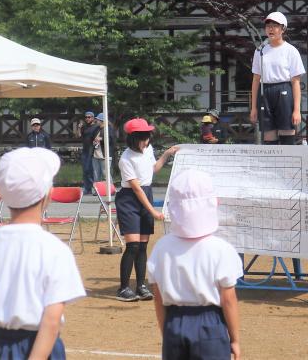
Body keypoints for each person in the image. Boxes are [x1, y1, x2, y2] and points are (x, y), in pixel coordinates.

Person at [0, 147, 85, 359]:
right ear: (47, 195)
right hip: (43, 348)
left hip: (0, 345)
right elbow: (51, 320)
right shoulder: (55, 249)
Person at [147, 169, 242, 359]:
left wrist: (167, 332)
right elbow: (228, 300)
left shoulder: (161, 247)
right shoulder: (220, 249)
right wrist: (235, 339)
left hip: (174, 321)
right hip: (210, 324)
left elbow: (158, 298)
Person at [115, 118, 178, 302]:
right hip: (129, 199)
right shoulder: (125, 159)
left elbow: (153, 170)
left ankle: (141, 285)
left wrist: (166, 154)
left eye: (148, 137)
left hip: (146, 193)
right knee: (133, 245)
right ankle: (124, 288)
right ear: (134, 139)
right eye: (144, 138)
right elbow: (135, 187)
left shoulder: (148, 150)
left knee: (142, 246)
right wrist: (153, 211)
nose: (147, 141)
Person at [250, 11, 305, 145]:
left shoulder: (291, 51)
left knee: (286, 130)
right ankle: (271, 165)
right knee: (268, 134)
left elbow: (296, 82)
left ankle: (288, 164)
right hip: (265, 91)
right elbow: (256, 79)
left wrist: (297, 110)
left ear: (283, 29)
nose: (270, 29)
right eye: (268, 26)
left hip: (284, 90)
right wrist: (253, 108)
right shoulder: (260, 51)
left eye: (275, 26)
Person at [76, 111, 99, 195]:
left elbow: (97, 138)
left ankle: (95, 188)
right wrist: (79, 127)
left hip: (92, 150)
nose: (87, 119)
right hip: (85, 149)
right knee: (85, 170)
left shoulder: (96, 127)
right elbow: (78, 136)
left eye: (89, 117)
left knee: (91, 170)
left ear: (93, 118)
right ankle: (87, 188)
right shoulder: (84, 127)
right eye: (86, 117)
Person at [91, 112, 116, 183]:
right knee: (96, 175)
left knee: (106, 175)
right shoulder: (97, 129)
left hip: (105, 155)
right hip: (96, 154)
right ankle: (96, 191)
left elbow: (111, 140)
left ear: (102, 120)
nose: (96, 121)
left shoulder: (109, 129)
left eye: (97, 120)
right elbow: (92, 138)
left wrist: (101, 139)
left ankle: (110, 190)